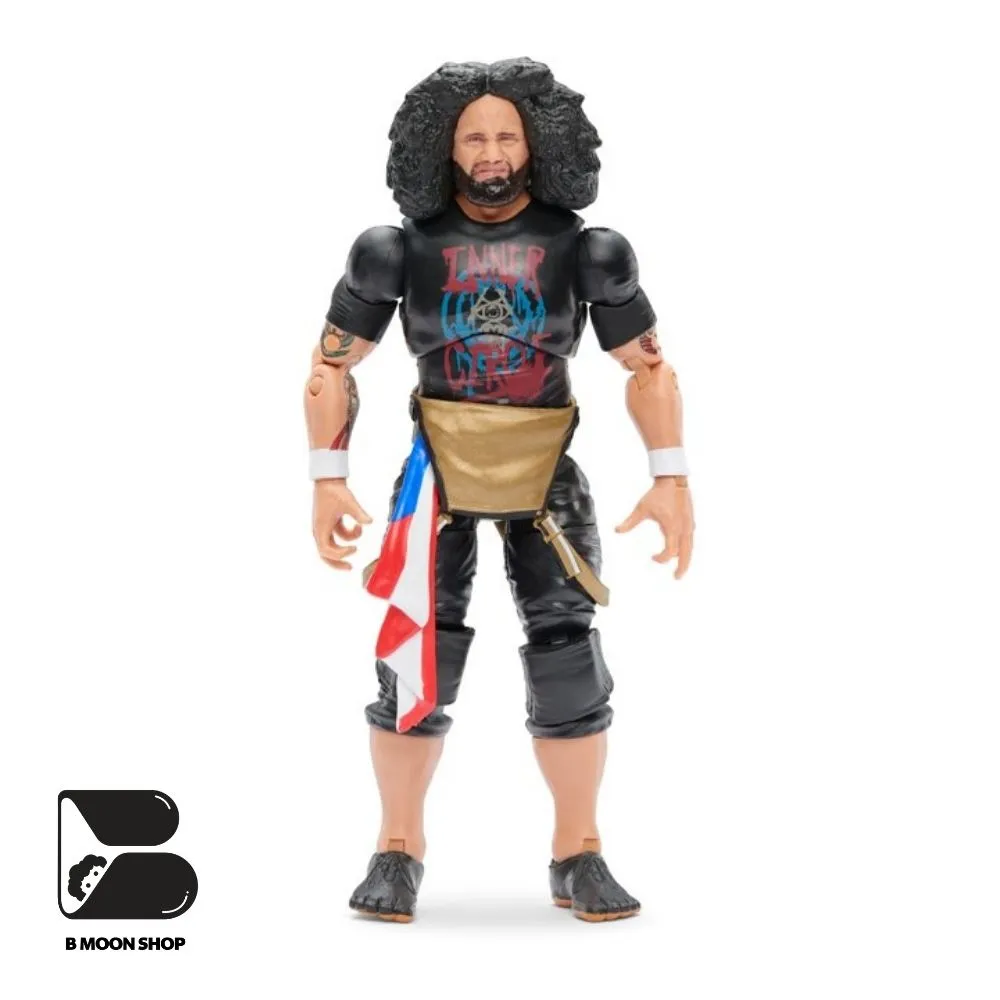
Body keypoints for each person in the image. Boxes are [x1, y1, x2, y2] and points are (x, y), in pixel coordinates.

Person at [304, 58, 694, 923]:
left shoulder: (586, 249)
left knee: (568, 657)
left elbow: (647, 367)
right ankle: (397, 847)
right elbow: (331, 365)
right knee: (414, 656)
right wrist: (327, 480)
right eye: (473, 136)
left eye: (506, 136)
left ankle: (578, 849)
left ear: (535, 143)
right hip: (436, 475)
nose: (490, 152)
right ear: (443, 147)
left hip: (544, 471)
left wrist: (670, 477)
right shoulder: (396, 249)